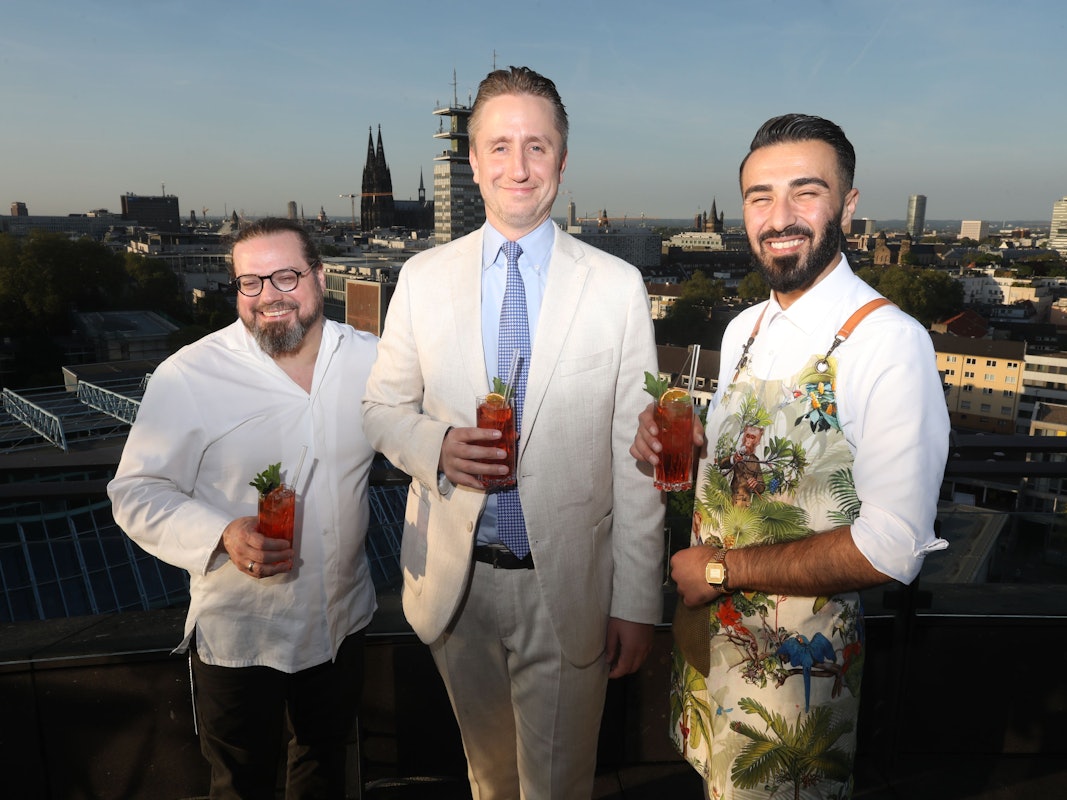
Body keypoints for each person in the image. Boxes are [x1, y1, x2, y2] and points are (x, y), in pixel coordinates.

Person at [361, 66, 664, 799]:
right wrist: (434, 446)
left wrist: (635, 600)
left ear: (561, 160)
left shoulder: (617, 287)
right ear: (471, 162)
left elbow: (639, 462)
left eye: (536, 146)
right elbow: (379, 409)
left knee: (558, 786)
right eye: (498, 146)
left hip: (568, 588)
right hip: (454, 586)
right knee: (487, 778)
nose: (517, 167)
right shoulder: (423, 278)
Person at [631, 114, 949, 798]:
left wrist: (719, 569)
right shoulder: (744, 326)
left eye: (804, 192)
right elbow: (750, 479)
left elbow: (893, 547)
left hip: (794, 689)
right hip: (707, 654)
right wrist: (666, 445)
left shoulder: (887, 343)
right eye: (758, 196)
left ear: (848, 204)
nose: (779, 217)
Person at [108, 217, 378, 799]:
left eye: (286, 276)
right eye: (250, 282)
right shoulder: (189, 374)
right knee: (241, 785)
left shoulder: (372, 361)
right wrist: (224, 532)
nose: (268, 296)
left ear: (321, 277)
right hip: (242, 633)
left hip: (341, 622)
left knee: (326, 769)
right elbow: (135, 491)